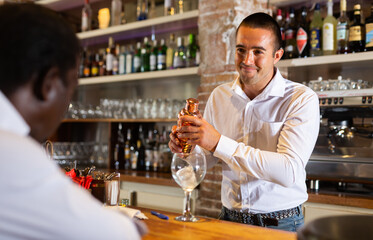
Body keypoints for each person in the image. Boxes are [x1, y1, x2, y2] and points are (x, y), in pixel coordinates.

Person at [0, 3, 143, 239]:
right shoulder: (13, 151)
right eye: (72, 86)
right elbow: (116, 235)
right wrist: (124, 223)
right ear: (49, 85)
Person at [169, 12, 320, 232]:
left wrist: (218, 142)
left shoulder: (300, 99)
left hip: (280, 225)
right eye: (241, 50)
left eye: (258, 52)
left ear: (277, 55)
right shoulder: (219, 96)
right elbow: (207, 159)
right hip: (228, 219)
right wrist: (187, 149)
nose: (247, 60)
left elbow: (289, 171)